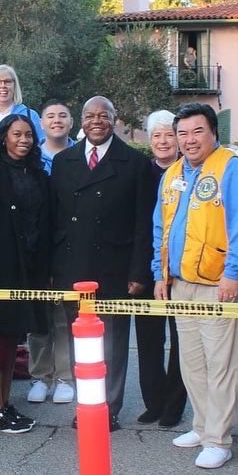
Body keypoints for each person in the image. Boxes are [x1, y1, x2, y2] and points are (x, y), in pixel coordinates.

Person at [153, 102, 238, 470]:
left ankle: (219, 438)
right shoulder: (173, 173)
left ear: (214, 133)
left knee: (221, 363)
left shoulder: (232, 169)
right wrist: (159, 274)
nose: (189, 140)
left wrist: (233, 273)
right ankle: (201, 425)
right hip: (180, 282)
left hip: (219, 284)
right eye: (182, 133)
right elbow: (160, 228)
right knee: (192, 362)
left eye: (197, 131)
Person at [50, 96, 155, 431]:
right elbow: (57, 221)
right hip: (73, 267)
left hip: (116, 267)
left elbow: (143, 224)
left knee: (114, 342)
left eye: (104, 115)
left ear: (115, 118)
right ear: (81, 120)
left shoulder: (135, 163)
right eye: (90, 115)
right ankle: (86, 403)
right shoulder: (63, 161)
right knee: (78, 341)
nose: (96, 121)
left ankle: (108, 407)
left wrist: (139, 272)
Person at [0, 114, 51, 434]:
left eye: (29, 135)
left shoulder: (40, 176)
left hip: (28, 272)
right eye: (17, 134)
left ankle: (4, 403)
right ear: (4, 137)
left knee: (11, 340)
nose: (23, 140)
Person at [133, 110, 187, 428]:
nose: (164, 141)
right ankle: (153, 402)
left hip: (180, 272)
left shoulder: (190, 172)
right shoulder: (140, 172)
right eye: (157, 136)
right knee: (149, 340)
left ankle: (174, 404)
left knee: (181, 341)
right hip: (146, 272)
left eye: (169, 134)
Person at [27, 98, 77, 407]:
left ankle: (64, 377)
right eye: (50, 116)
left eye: (63, 116)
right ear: (41, 123)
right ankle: (39, 376)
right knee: (38, 316)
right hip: (35, 250)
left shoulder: (79, 157)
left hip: (67, 249)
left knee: (63, 316)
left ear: (71, 122)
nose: (56, 120)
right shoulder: (31, 158)